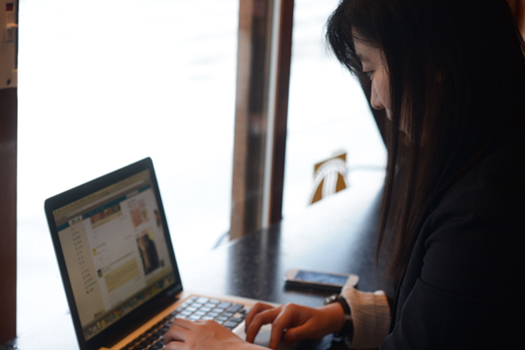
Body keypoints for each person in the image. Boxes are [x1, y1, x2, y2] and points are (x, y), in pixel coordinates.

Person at [163, 0, 525, 349]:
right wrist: (345, 316)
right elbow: (451, 316)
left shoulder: (482, 209)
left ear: (434, 59)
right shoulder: (497, 158)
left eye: (370, 71)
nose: (376, 101)